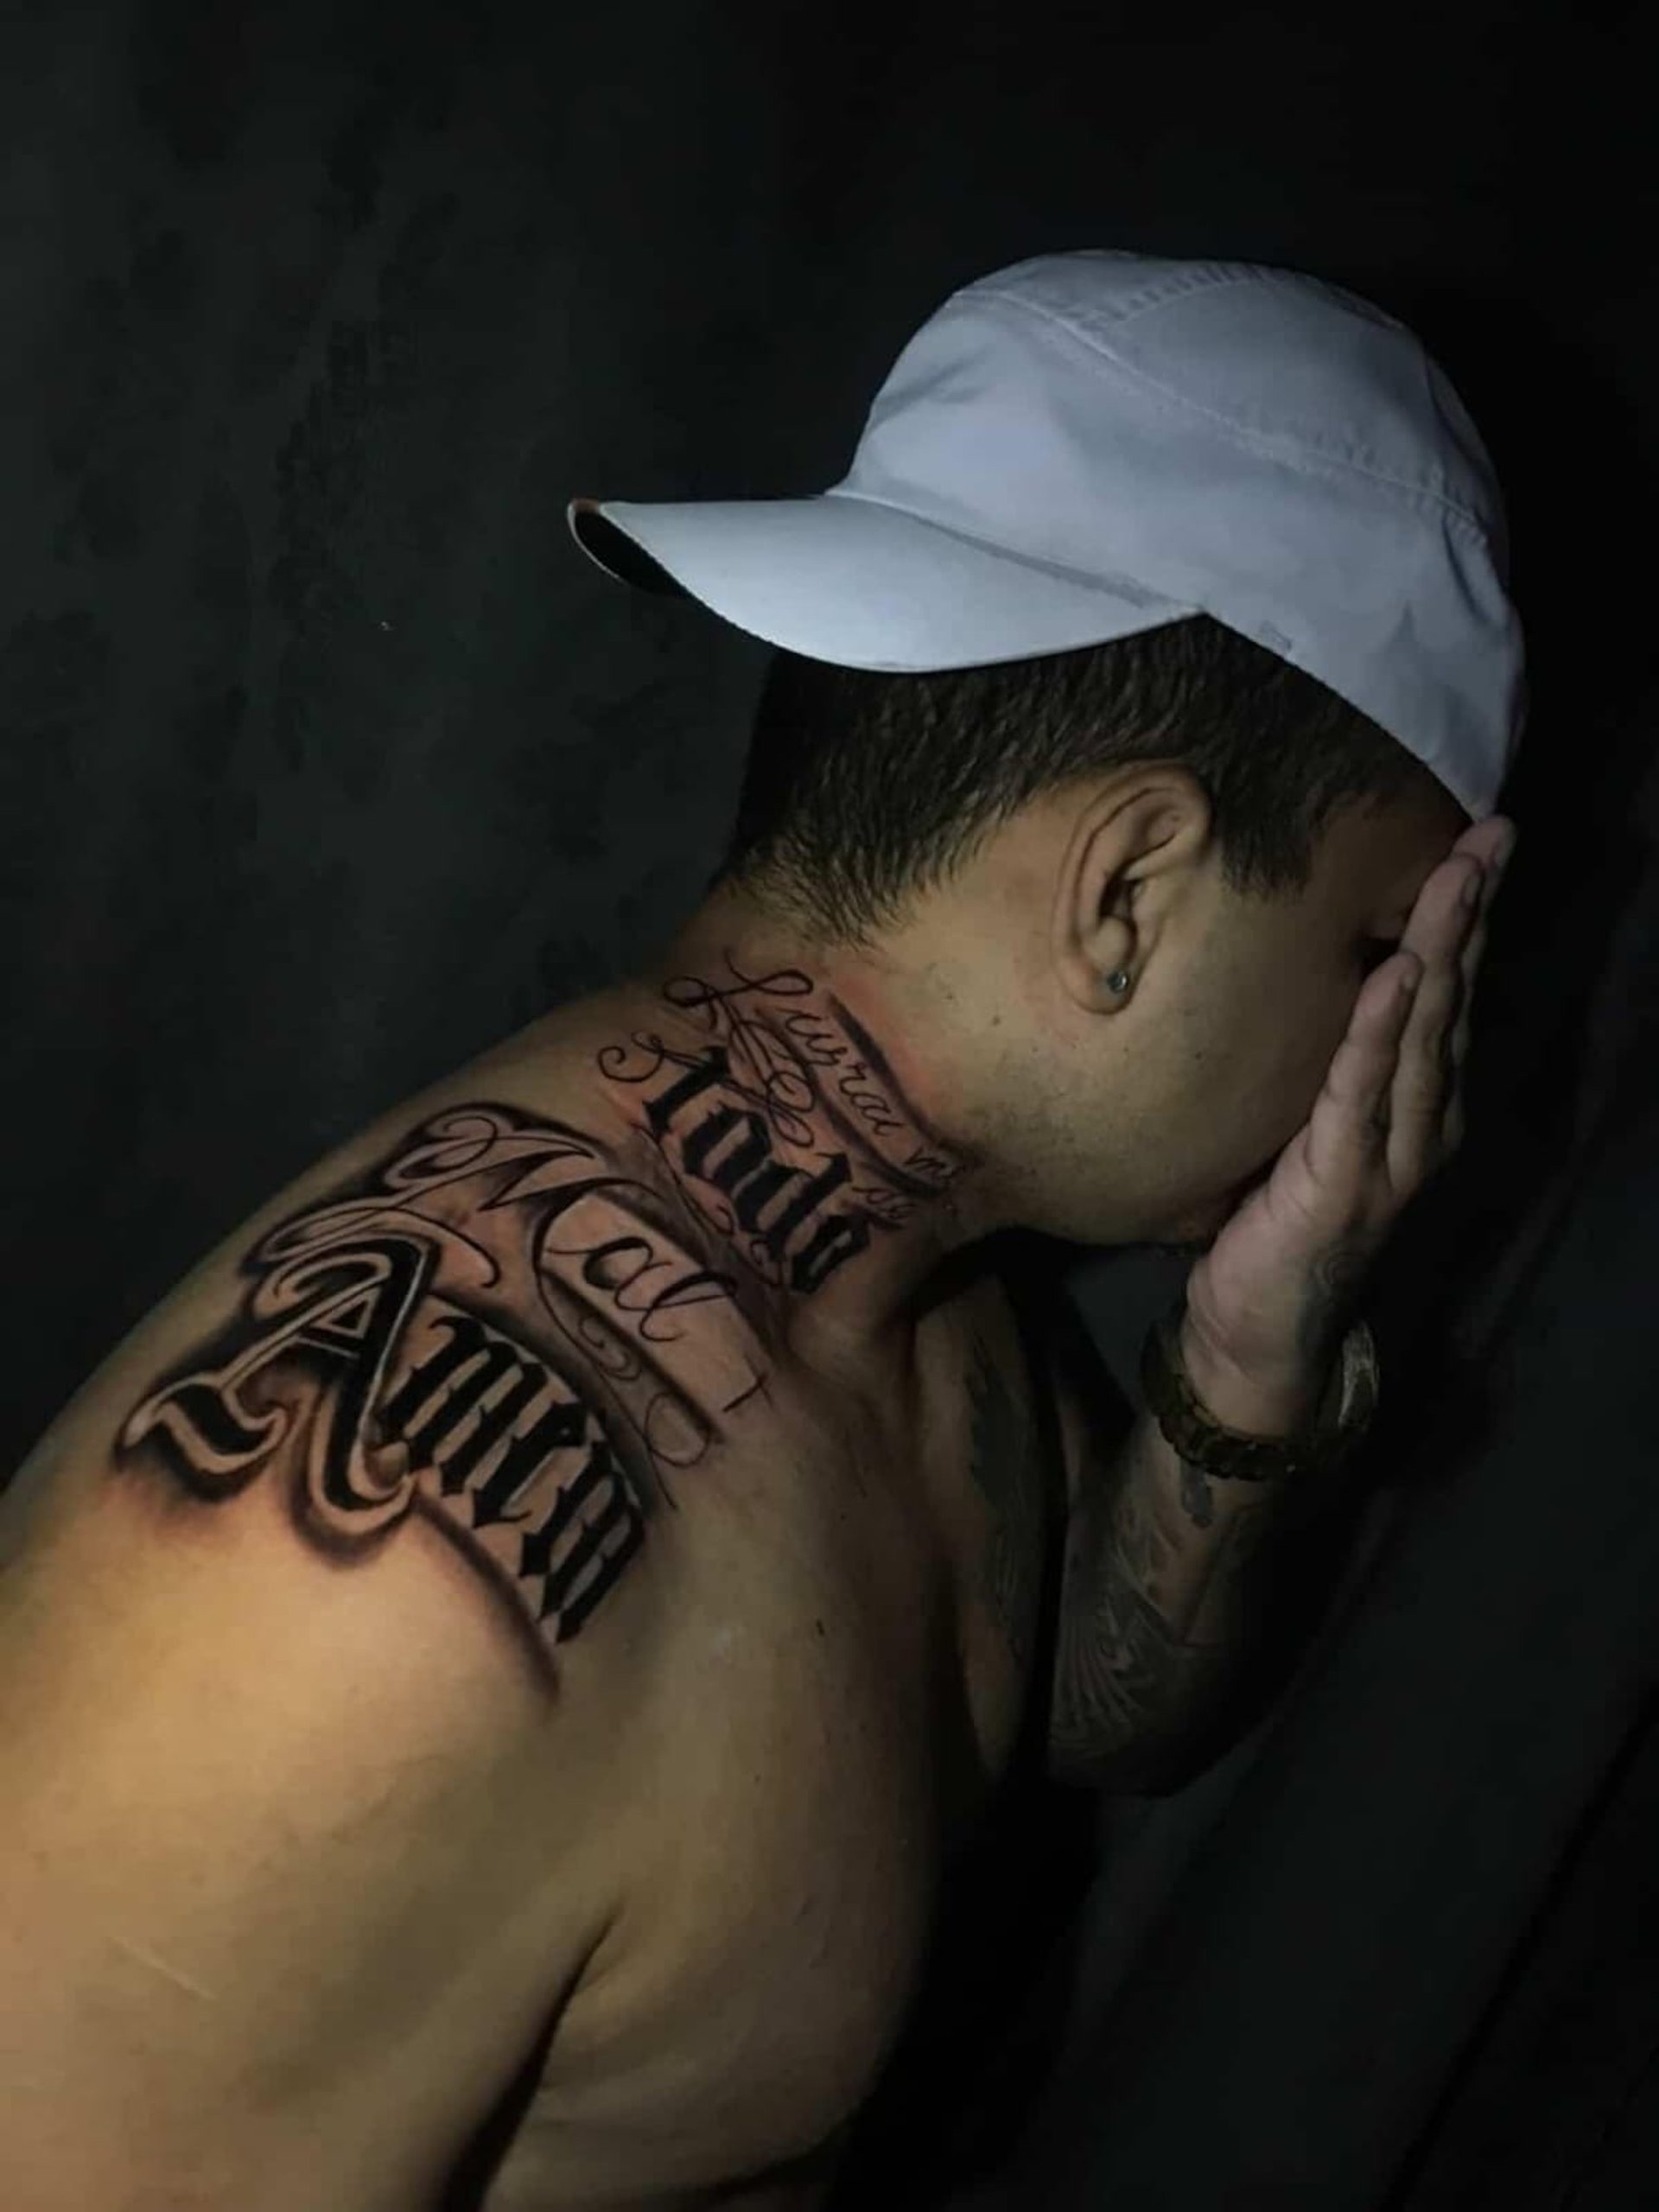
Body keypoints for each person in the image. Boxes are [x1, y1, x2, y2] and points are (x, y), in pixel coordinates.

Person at [0, 248, 1523, 2212]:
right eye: (1382, 951)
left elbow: (1084, 1704)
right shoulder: (350, 1596)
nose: (1390, 1076)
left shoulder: (920, 1287)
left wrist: (1246, 1374)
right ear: (1131, 886)